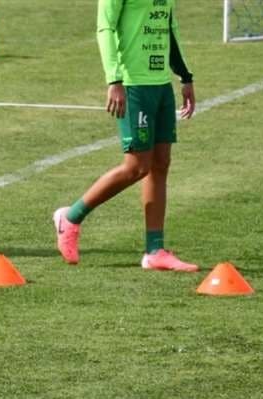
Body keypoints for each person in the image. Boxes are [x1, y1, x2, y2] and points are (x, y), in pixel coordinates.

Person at [53, 0, 198, 272]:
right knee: (137, 166)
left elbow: (169, 26)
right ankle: (70, 218)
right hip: (132, 85)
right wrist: (114, 80)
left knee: (160, 163)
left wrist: (184, 76)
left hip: (160, 84)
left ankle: (155, 250)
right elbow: (105, 27)